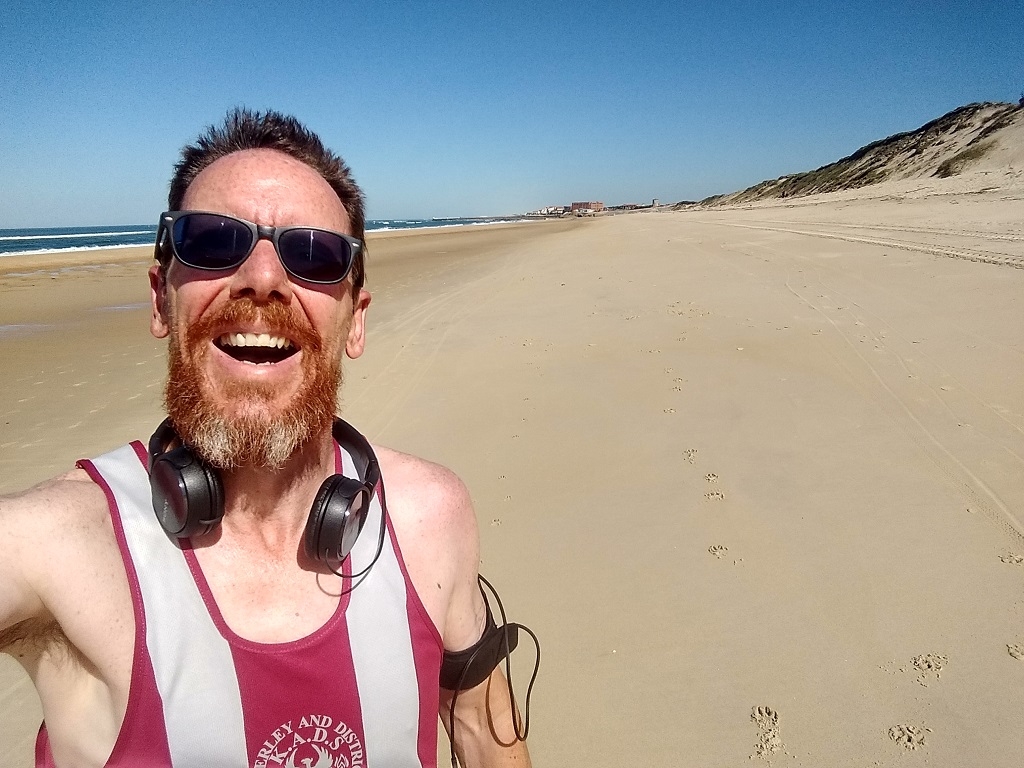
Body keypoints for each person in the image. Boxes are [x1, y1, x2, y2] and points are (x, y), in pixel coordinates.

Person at [0, 108, 530, 768]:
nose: (263, 278)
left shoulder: (430, 514)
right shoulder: (56, 543)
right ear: (162, 301)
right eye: (212, 241)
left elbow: (481, 729)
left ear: (355, 323)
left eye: (315, 255)